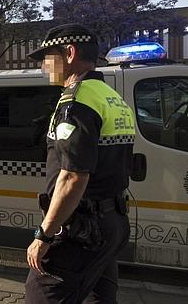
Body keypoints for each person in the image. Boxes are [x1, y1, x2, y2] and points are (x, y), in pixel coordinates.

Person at [24, 23, 135, 303]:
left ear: (70, 53)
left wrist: (44, 236)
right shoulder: (111, 97)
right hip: (112, 223)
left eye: (47, 58)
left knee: (42, 296)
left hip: (81, 232)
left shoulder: (77, 102)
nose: (43, 67)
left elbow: (73, 177)